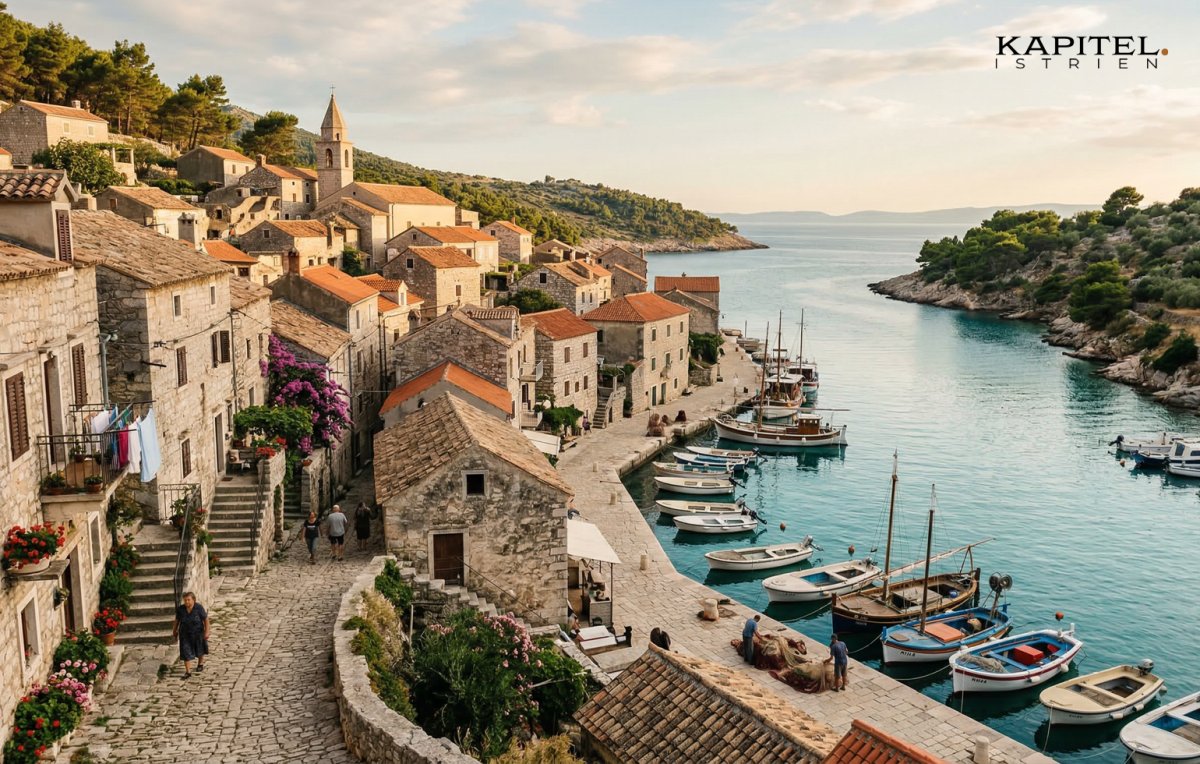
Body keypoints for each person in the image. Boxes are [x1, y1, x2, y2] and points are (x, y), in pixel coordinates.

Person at [173, 591, 209, 679]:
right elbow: (177, 621)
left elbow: (206, 620)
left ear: (193, 600)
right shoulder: (181, 609)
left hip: (198, 632)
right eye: (185, 600)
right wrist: (174, 630)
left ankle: (200, 664)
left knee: (200, 648)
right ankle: (188, 671)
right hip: (184, 634)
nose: (186, 602)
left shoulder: (198, 608)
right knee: (186, 651)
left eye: (188, 600)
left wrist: (207, 631)